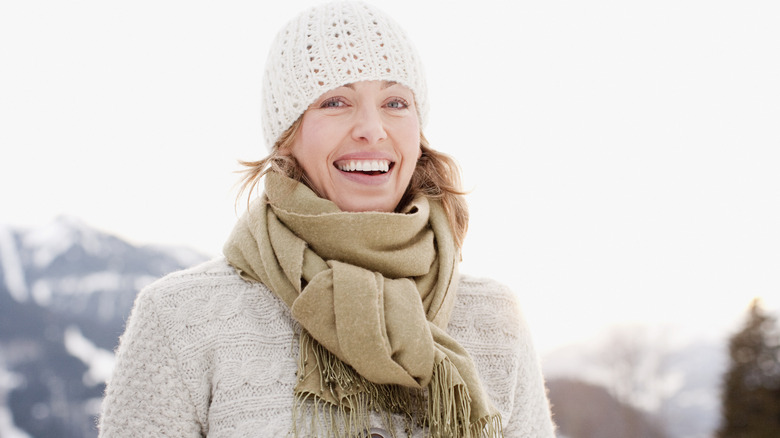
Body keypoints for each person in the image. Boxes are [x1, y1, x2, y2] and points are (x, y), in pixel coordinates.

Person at [98, 2, 555, 437]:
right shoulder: (182, 320)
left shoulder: (496, 320)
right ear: (285, 138)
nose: (372, 128)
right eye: (335, 102)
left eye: (395, 103)